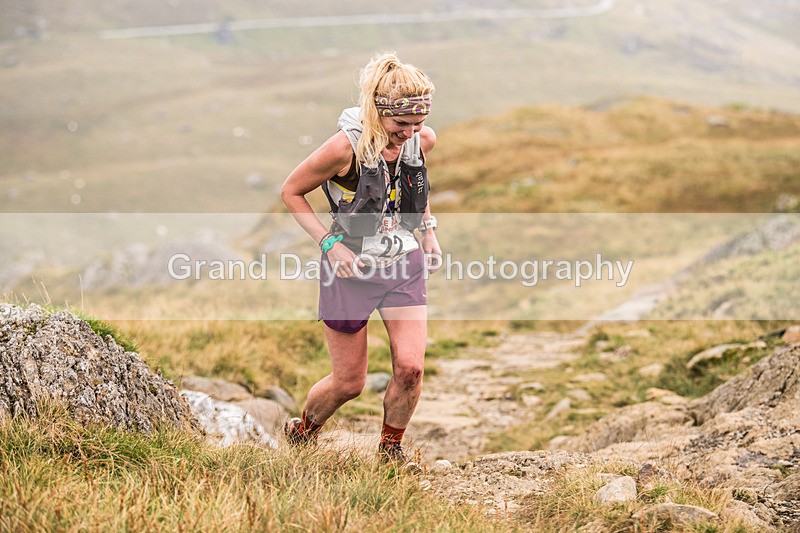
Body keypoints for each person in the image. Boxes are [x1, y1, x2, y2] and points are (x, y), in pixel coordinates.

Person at [280, 51, 441, 462]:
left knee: (410, 369)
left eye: (418, 123)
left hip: (403, 265)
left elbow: (416, 184)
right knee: (349, 383)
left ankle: (390, 453)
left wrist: (428, 231)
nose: (410, 133)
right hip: (349, 270)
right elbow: (291, 192)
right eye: (400, 124)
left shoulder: (422, 140)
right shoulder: (343, 149)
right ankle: (302, 433)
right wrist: (328, 245)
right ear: (377, 111)